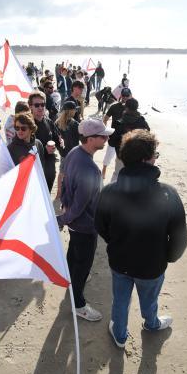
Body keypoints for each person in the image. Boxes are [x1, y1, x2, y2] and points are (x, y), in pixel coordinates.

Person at [95, 129, 187, 348]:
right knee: (149, 300)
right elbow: (179, 238)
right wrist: (167, 257)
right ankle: (151, 324)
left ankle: (119, 334)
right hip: (152, 265)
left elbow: (101, 227)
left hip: (120, 261)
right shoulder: (168, 193)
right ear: (147, 159)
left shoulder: (109, 192)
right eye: (155, 154)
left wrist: (117, 243)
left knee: (120, 300)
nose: (156, 157)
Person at [57, 119, 114, 321]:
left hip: (75, 223)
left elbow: (63, 178)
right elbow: (81, 206)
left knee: (74, 254)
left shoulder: (74, 152)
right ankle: (78, 304)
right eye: (103, 136)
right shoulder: (90, 169)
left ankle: (71, 280)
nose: (107, 139)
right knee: (82, 263)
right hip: (84, 226)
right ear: (90, 139)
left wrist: (64, 206)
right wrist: (63, 218)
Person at [107, 97, 150, 182]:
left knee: (117, 174)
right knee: (134, 177)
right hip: (137, 156)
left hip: (121, 154)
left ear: (126, 107)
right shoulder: (141, 121)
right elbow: (147, 136)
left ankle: (111, 193)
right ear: (137, 108)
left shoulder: (119, 122)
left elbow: (112, 142)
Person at [28, 91, 63, 192]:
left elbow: (56, 137)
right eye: (37, 105)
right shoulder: (27, 126)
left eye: (43, 104)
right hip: (36, 170)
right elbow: (24, 148)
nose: (40, 107)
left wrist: (60, 140)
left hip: (50, 167)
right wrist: (44, 150)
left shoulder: (48, 121)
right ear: (30, 106)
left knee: (47, 193)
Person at [101, 87, 132, 179]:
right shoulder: (114, 106)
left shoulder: (132, 108)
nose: (125, 97)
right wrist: (105, 132)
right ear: (121, 96)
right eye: (124, 95)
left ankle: (118, 175)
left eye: (127, 95)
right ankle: (104, 169)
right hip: (114, 135)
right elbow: (105, 119)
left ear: (130, 96)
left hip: (126, 138)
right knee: (108, 155)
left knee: (121, 159)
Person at [55, 101, 80, 198]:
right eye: (74, 109)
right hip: (74, 153)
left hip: (63, 153)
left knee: (61, 172)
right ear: (70, 111)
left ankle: (59, 192)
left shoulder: (57, 123)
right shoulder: (75, 124)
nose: (75, 111)